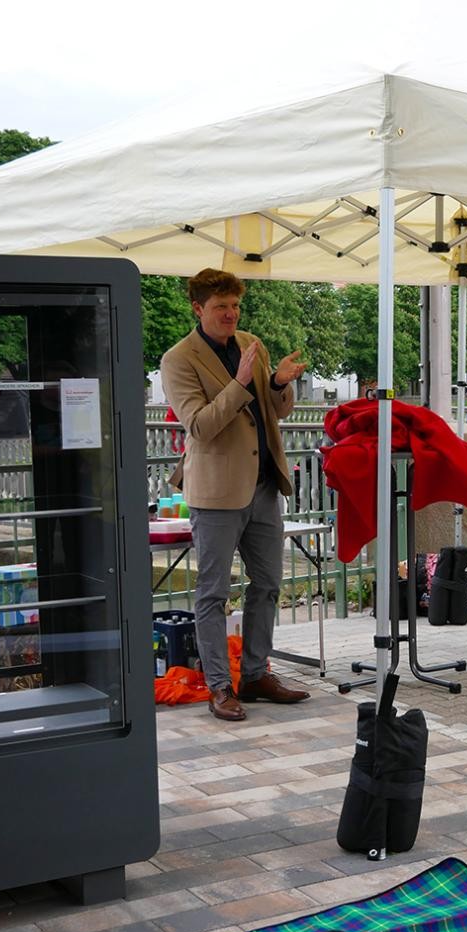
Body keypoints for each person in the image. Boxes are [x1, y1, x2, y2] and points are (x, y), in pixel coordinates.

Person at [160, 268, 310, 721]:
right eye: (221, 307)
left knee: (268, 584)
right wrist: (240, 383)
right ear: (198, 308)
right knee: (213, 591)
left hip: (264, 485)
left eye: (235, 306)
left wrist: (280, 383)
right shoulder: (178, 359)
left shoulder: (250, 344)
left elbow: (273, 411)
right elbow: (200, 426)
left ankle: (256, 673)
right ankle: (220, 686)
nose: (231, 314)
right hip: (217, 491)